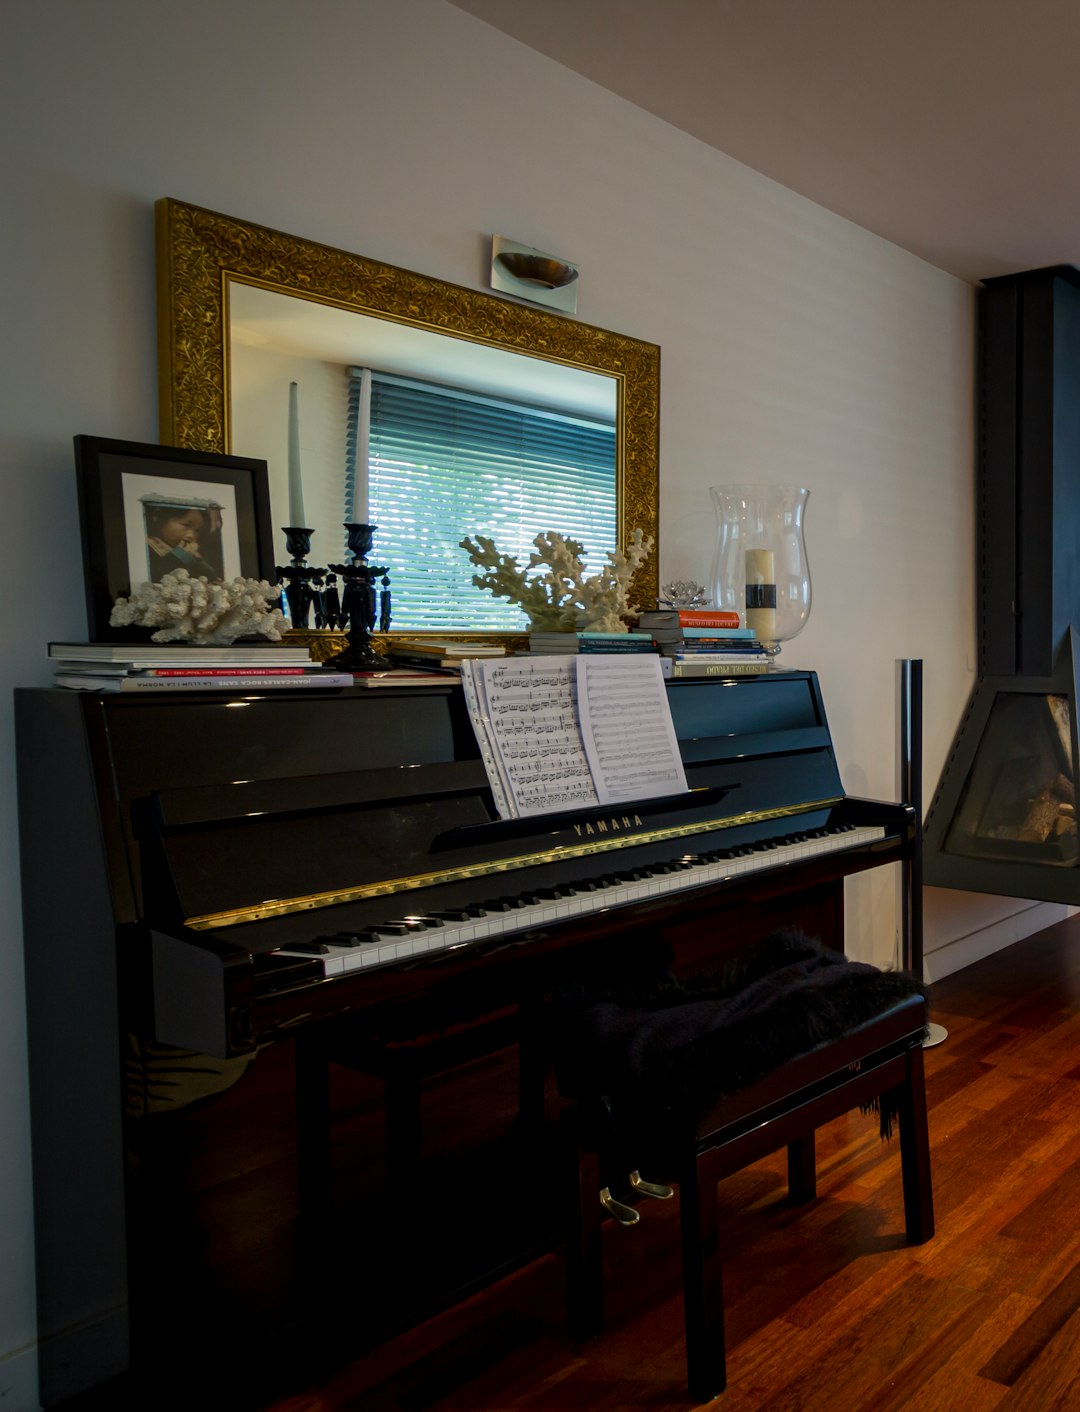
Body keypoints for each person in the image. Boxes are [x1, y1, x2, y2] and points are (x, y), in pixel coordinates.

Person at [143, 497, 225, 582]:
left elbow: (211, 576)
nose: (192, 535)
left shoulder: (188, 551)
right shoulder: (147, 548)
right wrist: (181, 555)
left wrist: (196, 559)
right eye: (186, 525)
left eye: (197, 530)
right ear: (159, 517)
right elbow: (156, 576)